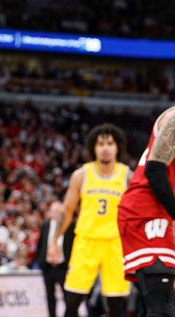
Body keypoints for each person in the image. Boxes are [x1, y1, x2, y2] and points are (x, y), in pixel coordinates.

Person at [117, 57, 175, 317]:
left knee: (165, 300)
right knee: (162, 306)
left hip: (164, 211)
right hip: (144, 208)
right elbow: (155, 171)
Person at [47, 124, 131, 317]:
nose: (105, 148)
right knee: (73, 299)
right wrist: (54, 241)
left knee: (117, 304)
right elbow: (67, 211)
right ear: (94, 147)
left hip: (115, 243)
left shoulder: (127, 176)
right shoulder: (81, 175)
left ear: (118, 147)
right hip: (86, 242)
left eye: (110, 143)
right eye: (101, 143)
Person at [34, 201, 74, 317]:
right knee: (50, 297)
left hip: (63, 266)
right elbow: (41, 244)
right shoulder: (45, 225)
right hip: (48, 267)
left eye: (58, 211)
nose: (55, 214)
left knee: (68, 297)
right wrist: (39, 261)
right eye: (53, 211)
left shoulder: (69, 226)